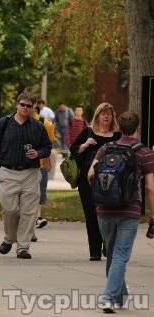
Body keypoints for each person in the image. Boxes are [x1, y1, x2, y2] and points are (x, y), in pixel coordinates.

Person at [87, 112, 154, 313]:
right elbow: (150, 187)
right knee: (121, 254)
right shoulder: (145, 153)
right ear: (137, 128)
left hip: (104, 210)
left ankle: (120, 295)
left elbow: (91, 173)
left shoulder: (106, 148)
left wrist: (102, 195)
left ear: (119, 127)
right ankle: (107, 297)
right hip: (129, 210)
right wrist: (152, 215)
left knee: (114, 255)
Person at [0, 91, 52, 259]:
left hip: (31, 173)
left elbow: (47, 147)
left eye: (29, 106)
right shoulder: (4, 123)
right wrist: (7, 154)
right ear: (17, 105)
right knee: (9, 208)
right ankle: (9, 238)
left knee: (28, 212)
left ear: (34, 108)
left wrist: (38, 153)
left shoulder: (38, 126)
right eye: (23, 105)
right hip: (8, 171)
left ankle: (23, 247)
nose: (25, 108)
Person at [70, 102, 121, 261]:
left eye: (109, 113)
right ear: (97, 115)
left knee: (109, 214)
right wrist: (85, 145)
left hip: (111, 181)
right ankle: (94, 251)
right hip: (88, 180)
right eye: (103, 113)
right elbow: (73, 149)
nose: (106, 116)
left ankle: (107, 243)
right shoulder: (88, 132)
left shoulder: (117, 136)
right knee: (91, 214)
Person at [30, 105, 56, 241]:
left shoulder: (44, 123)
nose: (28, 108)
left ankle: (36, 221)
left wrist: (47, 162)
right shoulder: (15, 121)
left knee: (38, 194)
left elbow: (48, 144)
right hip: (22, 168)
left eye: (31, 106)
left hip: (40, 166)